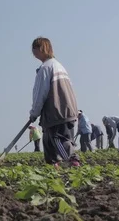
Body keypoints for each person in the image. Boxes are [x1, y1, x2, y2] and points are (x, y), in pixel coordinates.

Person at [28, 37, 80, 168]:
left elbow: (40, 93)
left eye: (33, 49)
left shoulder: (46, 68)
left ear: (40, 49)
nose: (32, 52)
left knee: (58, 139)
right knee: (47, 140)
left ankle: (72, 160)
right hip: (67, 109)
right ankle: (53, 165)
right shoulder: (58, 65)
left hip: (57, 111)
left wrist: (34, 112)